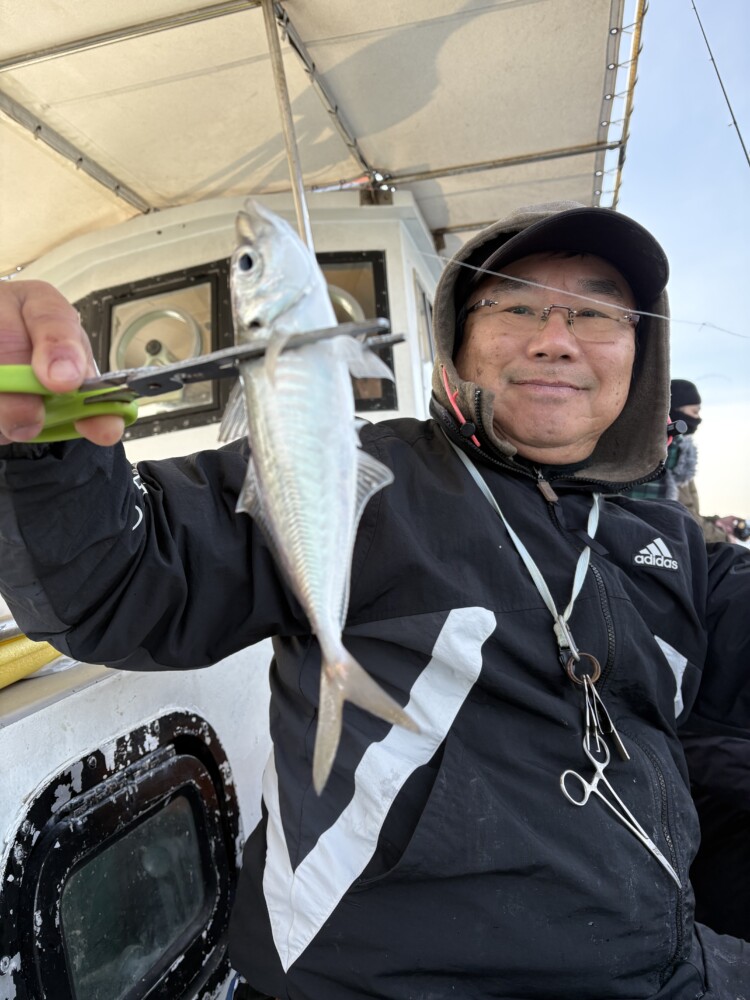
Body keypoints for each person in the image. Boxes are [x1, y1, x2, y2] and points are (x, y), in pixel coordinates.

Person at [1, 202, 749, 1000]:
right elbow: (122, 581)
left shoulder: (672, 539)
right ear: (457, 338)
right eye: (519, 306)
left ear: (642, 351)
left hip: (674, 968)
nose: (554, 337)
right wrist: (44, 449)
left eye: (594, 313)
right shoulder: (359, 476)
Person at [626, 377, 743, 543]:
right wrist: (724, 538)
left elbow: (683, 509)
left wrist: (714, 522)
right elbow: (683, 518)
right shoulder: (674, 452)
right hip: (654, 544)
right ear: (674, 409)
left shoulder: (643, 446)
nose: (698, 418)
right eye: (694, 412)